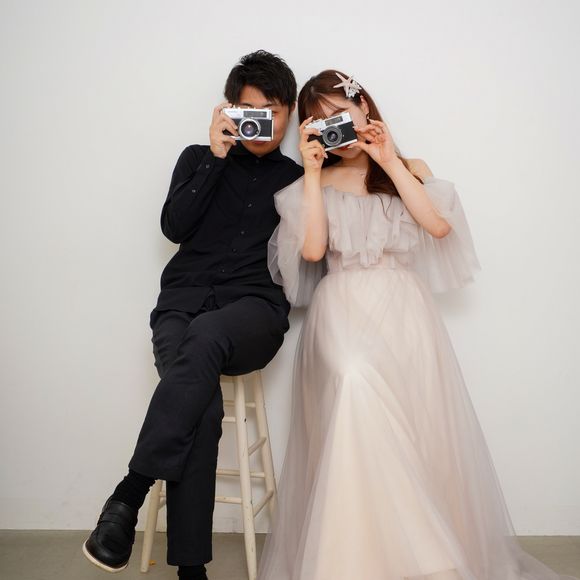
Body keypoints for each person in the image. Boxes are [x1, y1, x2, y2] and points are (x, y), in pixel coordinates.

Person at [258, 69, 578, 580]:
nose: (337, 129)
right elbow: (314, 251)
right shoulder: (310, 184)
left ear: (364, 108)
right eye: (321, 122)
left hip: (405, 309)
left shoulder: (409, 168)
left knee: (417, 426)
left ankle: (423, 553)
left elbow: (438, 226)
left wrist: (388, 159)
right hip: (342, 307)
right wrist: (313, 174)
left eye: (342, 115)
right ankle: (359, 561)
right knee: (354, 384)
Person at [82, 50, 303, 580]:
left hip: (254, 312)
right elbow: (174, 228)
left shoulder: (299, 178)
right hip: (182, 304)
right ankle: (190, 571)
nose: (262, 123)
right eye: (249, 111)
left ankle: (129, 492)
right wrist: (215, 157)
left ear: (290, 112)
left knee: (208, 334)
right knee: (199, 410)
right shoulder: (197, 158)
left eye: (272, 112)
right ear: (229, 110)